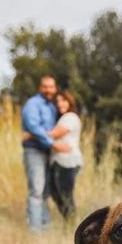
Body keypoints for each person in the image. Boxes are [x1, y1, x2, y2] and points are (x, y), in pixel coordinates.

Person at [21, 75, 69, 231]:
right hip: (34, 150)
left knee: (46, 191)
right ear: (40, 87)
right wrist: (52, 143)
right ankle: (35, 230)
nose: (49, 90)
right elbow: (33, 127)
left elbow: (48, 130)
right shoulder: (32, 104)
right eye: (45, 86)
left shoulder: (52, 106)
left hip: (48, 152)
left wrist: (39, 135)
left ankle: (45, 226)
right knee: (36, 189)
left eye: (52, 87)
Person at [47, 90, 83, 219]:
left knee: (65, 194)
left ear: (69, 102)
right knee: (56, 193)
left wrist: (35, 132)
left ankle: (72, 223)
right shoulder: (62, 118)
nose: (60, 104)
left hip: (68, 161)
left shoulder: (70, 117)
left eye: (63, 100)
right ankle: (68, 220)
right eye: (57, 102)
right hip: (59, 160)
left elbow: (54, 134)